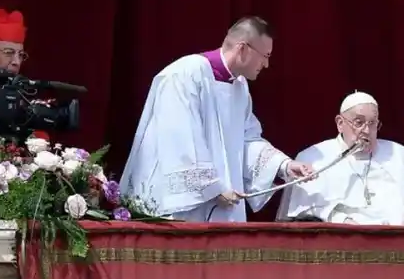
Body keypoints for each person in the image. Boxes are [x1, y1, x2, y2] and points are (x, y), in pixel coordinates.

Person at [121, 16, 313, 222]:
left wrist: (283, 165)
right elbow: (178, 139)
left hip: (224, 202)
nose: (266, 64)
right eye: (265, 56)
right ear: (243, 49)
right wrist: (211, 188)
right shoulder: (184, 74)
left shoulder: (240, 88)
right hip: (181, 208)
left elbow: (248, 140)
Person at [278, 92, 404, 225]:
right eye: (359, 122)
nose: (367, 130)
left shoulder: (398, 153)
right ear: (340, 123)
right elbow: (305, 211)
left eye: (372, 123)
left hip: (397, 241)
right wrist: (342, 221)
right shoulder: (314, 157)